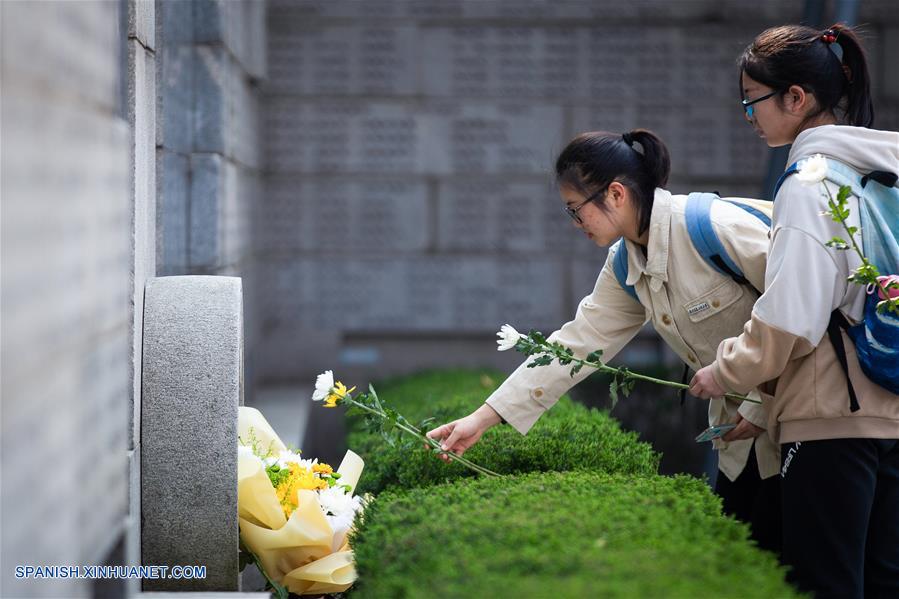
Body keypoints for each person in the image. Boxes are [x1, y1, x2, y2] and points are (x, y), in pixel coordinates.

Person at [427, 128, 782, 552]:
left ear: (615, 194)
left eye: (577, 211)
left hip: (802, 426)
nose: (576, 224)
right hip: (738, 442)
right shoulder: (625, 261)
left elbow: (801, 311)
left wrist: (764, 406)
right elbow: (577, 345)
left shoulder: (714, 228)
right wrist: (482, 419)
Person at [688, 23, 899, 597]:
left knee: (822, 584)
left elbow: (791, 317)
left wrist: (725, 369)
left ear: (796, 98)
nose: (749, 117)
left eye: (750, 101)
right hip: (892, 408)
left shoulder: (809, 184)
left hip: (831, 414)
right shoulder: (883, 174)